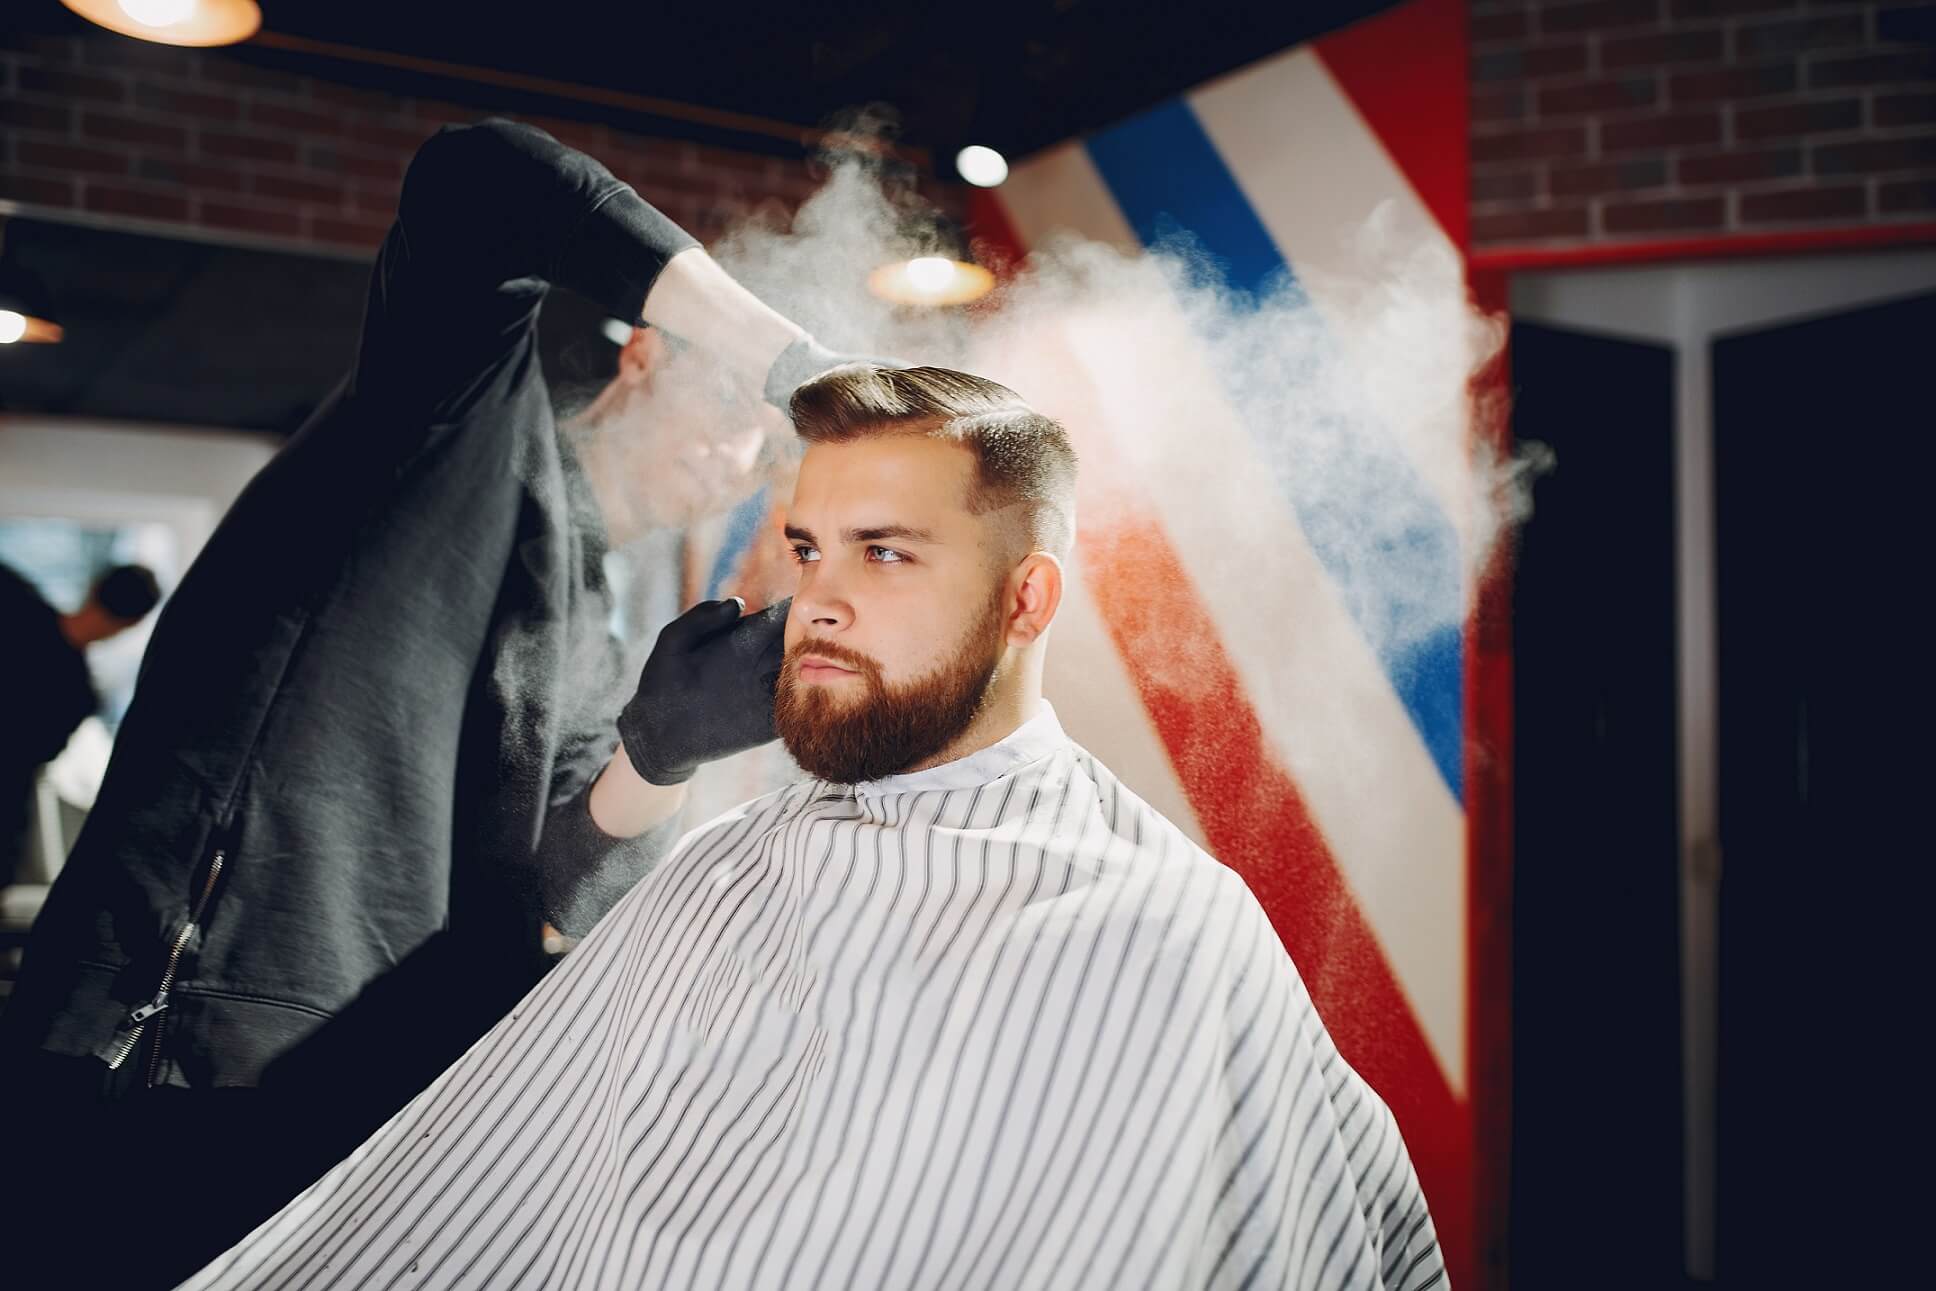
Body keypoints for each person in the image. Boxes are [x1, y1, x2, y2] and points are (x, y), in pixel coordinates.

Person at [184, 366, 1448, 1291]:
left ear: (1028, 597)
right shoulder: (735, 859)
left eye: (885, 555)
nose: (815, 601)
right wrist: (651, 759)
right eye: (805, 547)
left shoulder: (1162, 925)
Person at [0, 118, 863, 1288]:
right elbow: (479, 176)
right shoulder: (451, 419)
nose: (735, 459)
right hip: (158, 1052)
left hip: (342, 1109)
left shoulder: (599, 644)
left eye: (767, 454)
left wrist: (661, 754)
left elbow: (560, 877)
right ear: (643, 356)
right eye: (736, 415)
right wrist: (795, 364)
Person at [0, 562, 161, 882]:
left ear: (94, 586)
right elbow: (32, 761)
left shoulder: (13, 601)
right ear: (132, 623)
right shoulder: (77, 694)